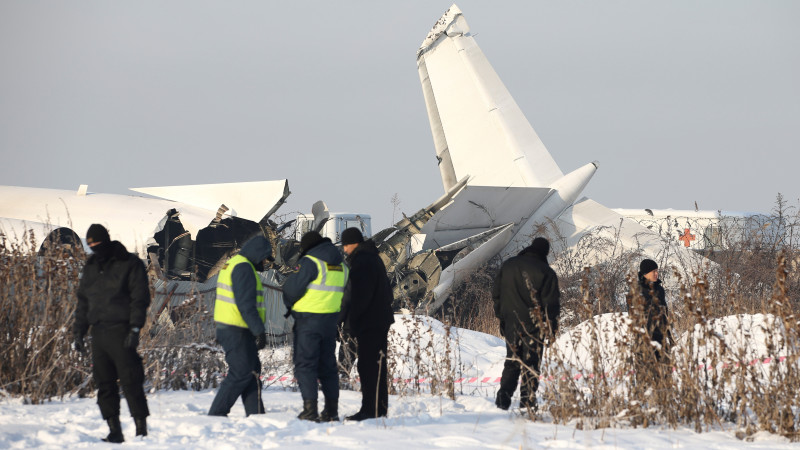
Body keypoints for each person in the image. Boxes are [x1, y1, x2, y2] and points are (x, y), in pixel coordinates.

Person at [72, 224, 151, 443]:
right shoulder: (91, 266)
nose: (94, 248)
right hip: (98, 332)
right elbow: (83, 302)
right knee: (104, 383)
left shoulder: (129, 263)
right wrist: (78, 331)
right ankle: (114, 429)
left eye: (96, 243)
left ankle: (141, 429)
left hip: (122, 330)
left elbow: (140, 298)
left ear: (106, 240)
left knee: (130, 380)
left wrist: (135, 328)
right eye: (90, 245)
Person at [282, 231, 348, 422]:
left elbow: (291, 289)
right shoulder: (342, 265)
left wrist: (291, 305)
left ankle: (310, 410)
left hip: (308, 321)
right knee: (328, 366)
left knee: (306, 365)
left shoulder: (311, 262)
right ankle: (331, 411)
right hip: (330, 322)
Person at [492, 237, 560, 416]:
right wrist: (551, 330)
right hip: (534, 326)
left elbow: (496, 294)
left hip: (511, 323)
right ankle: (527, 400)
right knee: (531, 363)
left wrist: (502, 318)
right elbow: (551, 305)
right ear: (545, 252)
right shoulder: (546, 272)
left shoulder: (509, 265)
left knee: (512, 360)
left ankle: (503, 400)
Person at [208, 235, 272, 417]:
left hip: (235, 328)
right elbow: (246, 304)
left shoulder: (236, 264)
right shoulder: (243, 268)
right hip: (237, 329)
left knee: (251, 373)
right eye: (265, 258)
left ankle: (257, 416)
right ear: (258, 253)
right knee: (242, 372)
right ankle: (216, 415)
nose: (265, 262)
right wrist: (259, 331)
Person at [339, 227, 395, 421]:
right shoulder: (374, 258)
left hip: (369, 323)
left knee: (368, 367)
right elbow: (388, 293)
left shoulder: (361, 262)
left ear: (353, 244)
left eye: (346, 245)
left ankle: (370, 411)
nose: (344, 250)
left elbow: (359, 298)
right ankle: (379, 409)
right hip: (380, 320)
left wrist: (350, 325)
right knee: (378, 367)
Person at [632, 258, 671, 361]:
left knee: (665, 373)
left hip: (661, 339)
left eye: (657, 271)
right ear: (645, 273)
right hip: (644, 340)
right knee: (646, 374)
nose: (656, 274)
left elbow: (665, 314)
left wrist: (670, 336)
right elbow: (635, 317)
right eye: (653, 271)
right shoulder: (636, 291)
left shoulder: (660, 289)